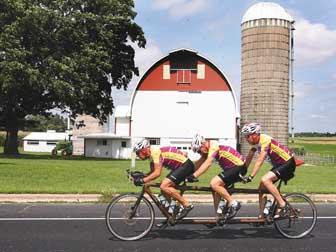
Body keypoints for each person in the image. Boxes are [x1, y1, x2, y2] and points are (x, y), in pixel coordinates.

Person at [188, 134, 255, 218]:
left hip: (238, 167)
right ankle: (218, 216)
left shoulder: (213, 145)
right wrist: (188, 173)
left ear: (202, 144)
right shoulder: (208, 149)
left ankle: (234, 203)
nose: (200, 153)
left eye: (199, 151)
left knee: (214, 183)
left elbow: (208, 163)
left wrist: (195, 175)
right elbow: (199, 163)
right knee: (215, 189)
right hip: (233, 169)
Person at [241, 122, 296, 218]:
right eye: (245, 136)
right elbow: (249, 158)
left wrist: (251, 176)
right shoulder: (255, 143)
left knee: (265, 179)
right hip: (279, 165)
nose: (246, 139)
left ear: (255, 135)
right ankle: (261, 215)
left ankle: (282, 204)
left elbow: (260, 161)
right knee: (261, 188)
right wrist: (241, 172)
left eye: (247, 136)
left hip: (287, 163)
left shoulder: (265, 140)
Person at [133, 139, 195, 220]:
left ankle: (187, 205)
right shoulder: (152, 155)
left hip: (186, 166)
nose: (138, 156)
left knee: (164, 186)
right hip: (180, 167)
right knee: (163, 190)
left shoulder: (155, 153)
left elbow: (157, 173)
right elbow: (152, 172)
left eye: (138, 153)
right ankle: (173, 215)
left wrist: (142, 180)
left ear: (144, 150)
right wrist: (141, 176)